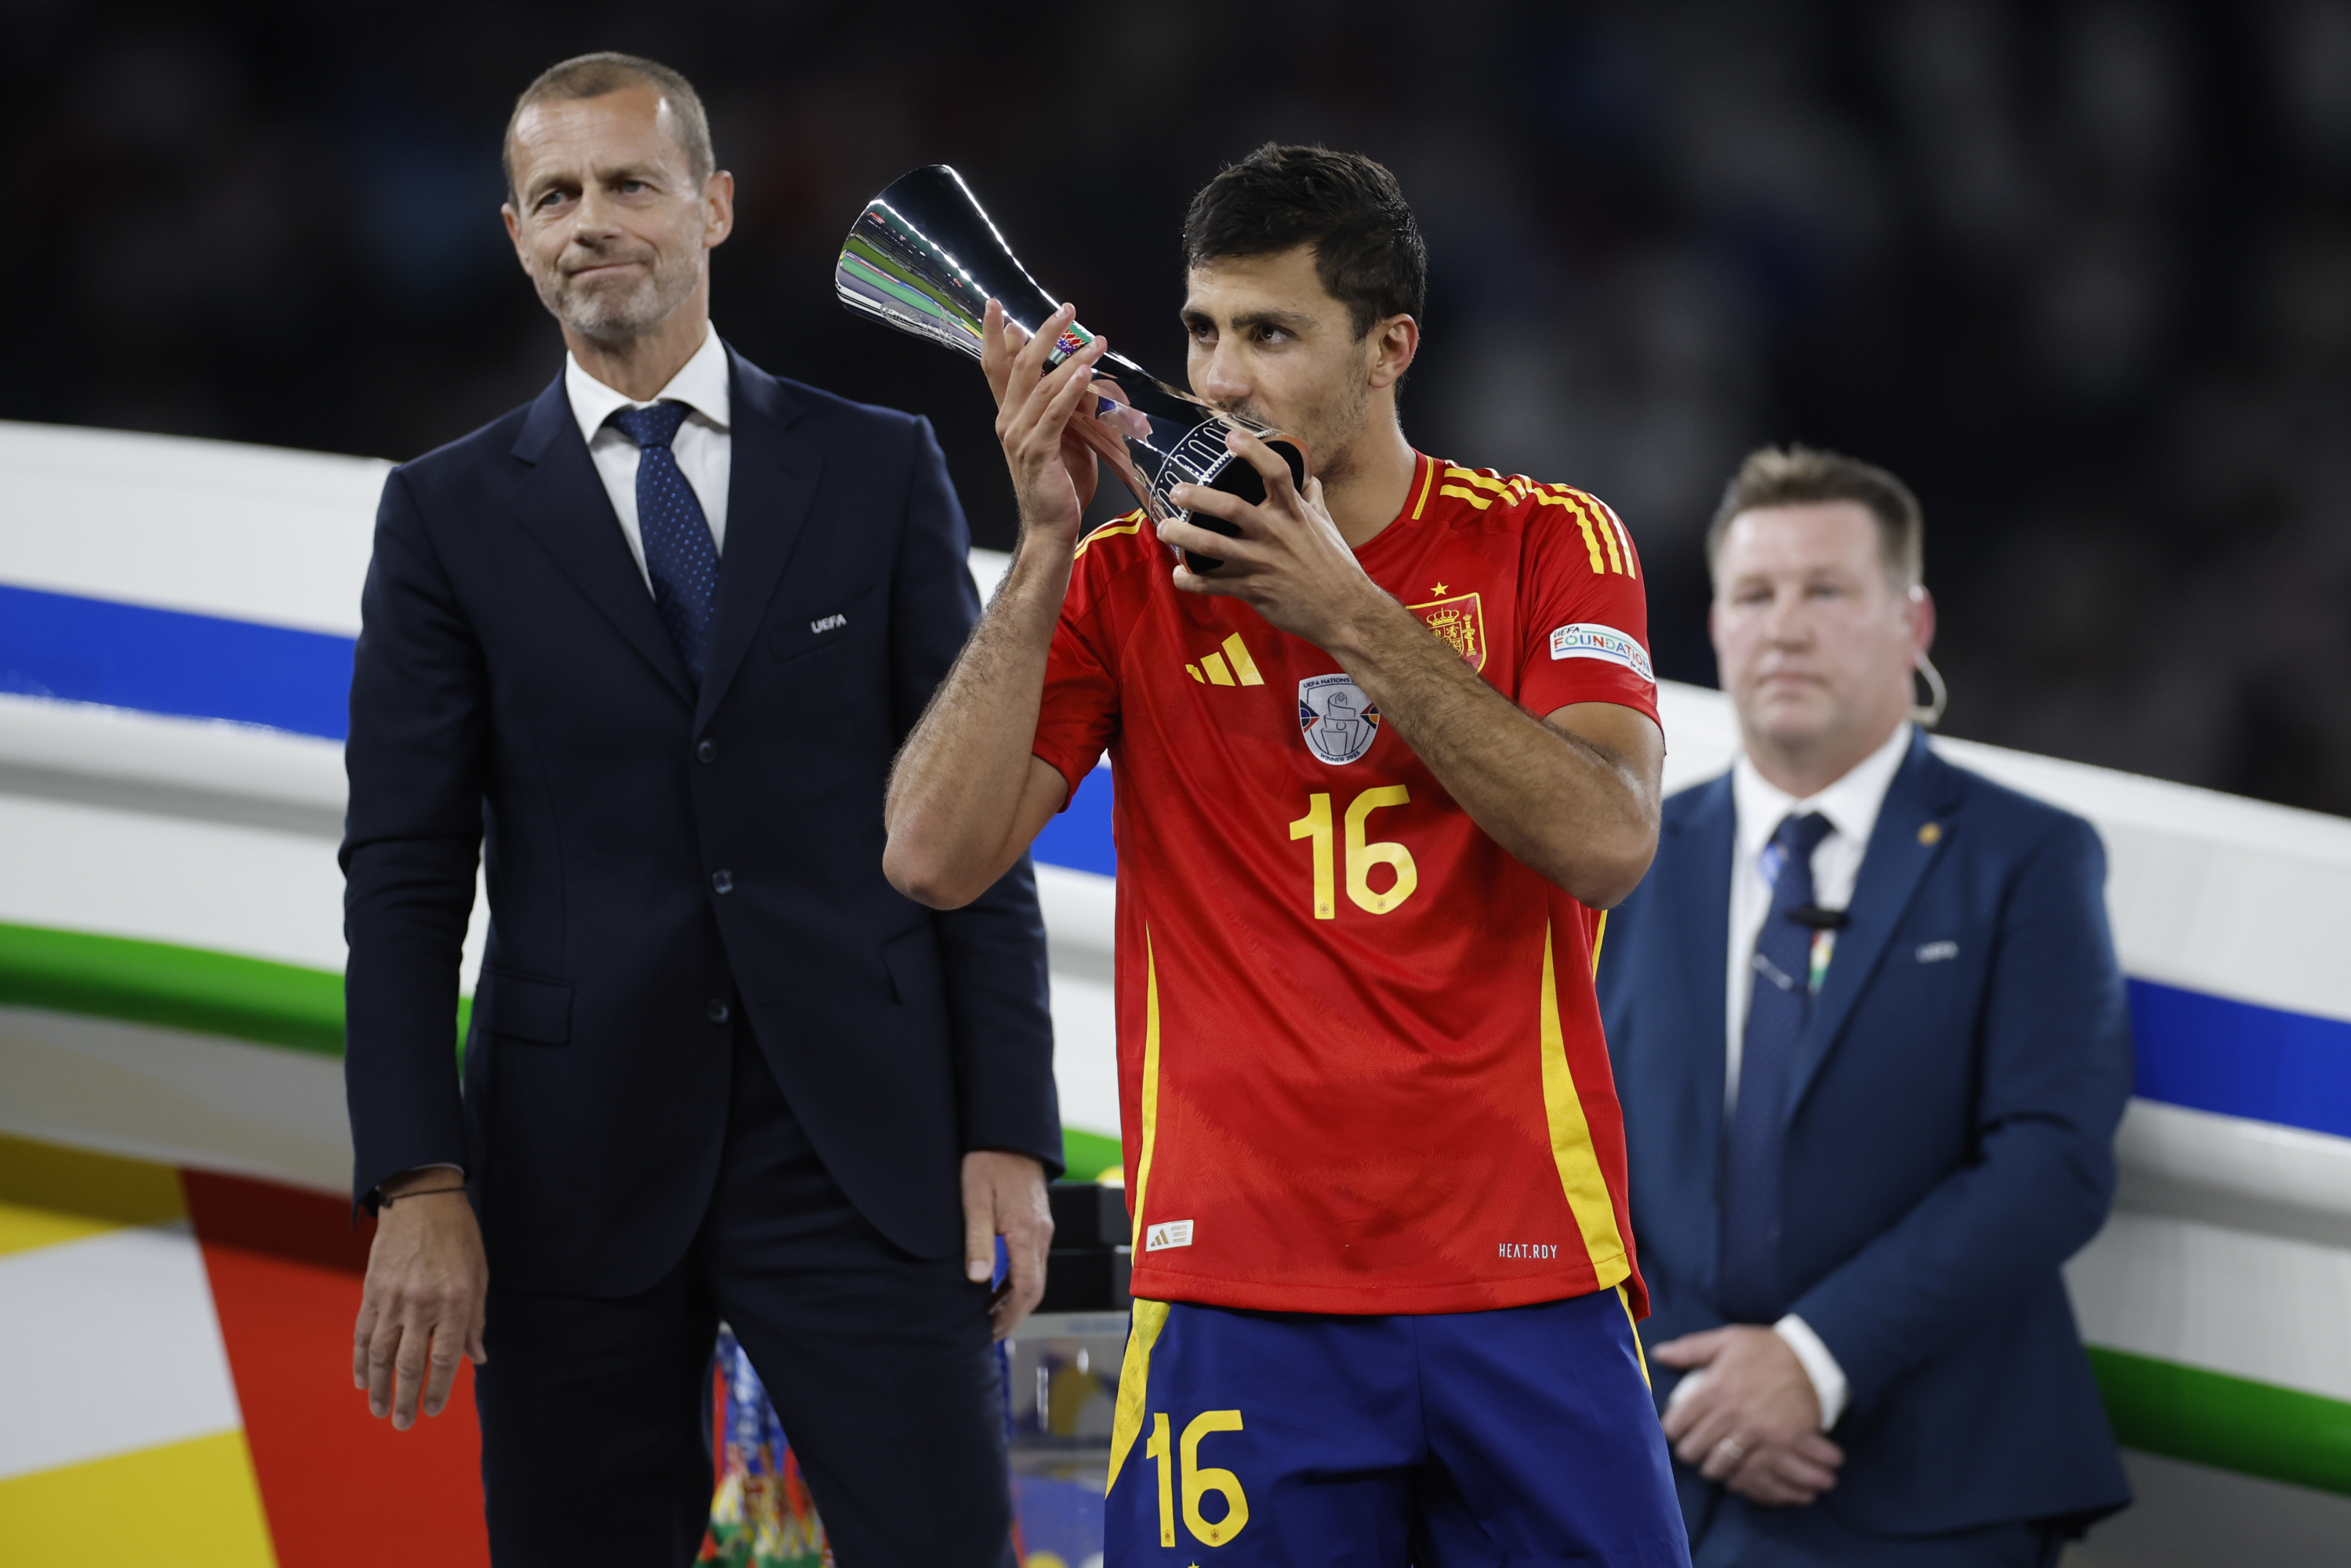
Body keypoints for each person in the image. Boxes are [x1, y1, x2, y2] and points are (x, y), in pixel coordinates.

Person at [886, 144, 1689, 1565]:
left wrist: (1348, 612)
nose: (1221, 379)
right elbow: (932, 858)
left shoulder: (1546, 543)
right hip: (1239, 1293)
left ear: (1391, 350)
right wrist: (1042, 544)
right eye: (1202, 330)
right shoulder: (1126, 581)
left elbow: (1608, 842)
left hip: (1525, 1271)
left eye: (1269, 334)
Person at [339, 52, 1059, 1567]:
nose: (592, 221)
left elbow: (973, 817)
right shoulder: (445, 515)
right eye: (555, 196)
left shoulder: (879, 468)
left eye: (628, 183)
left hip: (862, 1143)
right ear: (518, 237)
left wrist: (1008, 1128)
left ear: (715, 207)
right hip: (566, 1165)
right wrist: (417, 1177)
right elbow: (404, 871)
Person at [1595, 446, 2134, 1566]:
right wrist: (1689, 1386)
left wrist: (1814, 1357)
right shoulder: (1623, 854)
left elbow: (2053, 1158)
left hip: (1936, 1481)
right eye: (1756, 594)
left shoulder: (2025, 858)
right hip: (1664, 1460)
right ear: (1718, 625)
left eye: (1827, 591)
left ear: (1914, 623)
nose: (1786, 627)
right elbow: (1556, 1145)